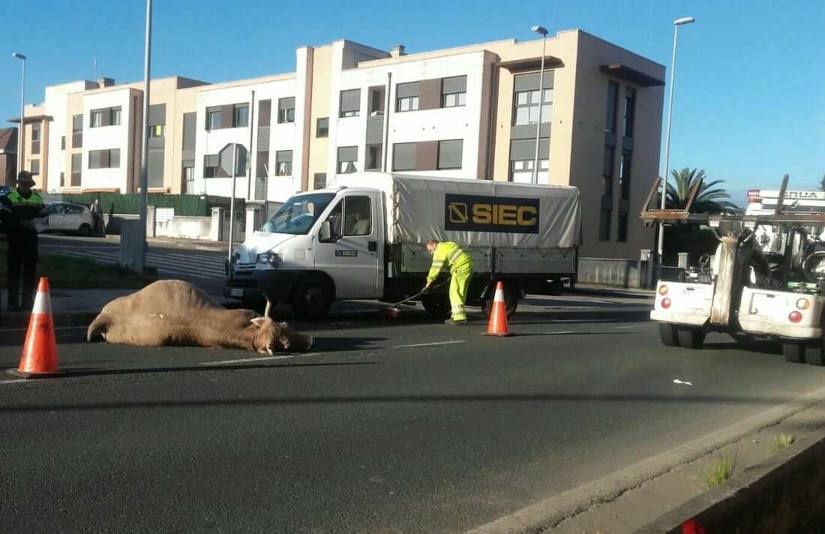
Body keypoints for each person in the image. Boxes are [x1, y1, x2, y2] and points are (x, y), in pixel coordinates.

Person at [0, 171, 49, 311]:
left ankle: (27, 302)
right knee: (14, 273)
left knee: (29, 272)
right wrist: (20, 223)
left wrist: (34, 223)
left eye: (28, 184)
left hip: (31, 241)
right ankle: (12, 303)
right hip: (15, 239)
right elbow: (4, 217)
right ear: (19, 184)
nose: (26, 187)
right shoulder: (9, 198)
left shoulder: (37, 198)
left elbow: (45, 217)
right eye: (23, 184)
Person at [423, 239, 474, 325]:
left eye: (430, 250)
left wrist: (427, 285)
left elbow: (435, 269)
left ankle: (459, 318)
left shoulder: (439, 251)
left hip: (460, 267)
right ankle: (456, 315)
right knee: (460, 292)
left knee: (454, 292)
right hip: (467, 266)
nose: (431, 253)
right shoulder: (447, 244)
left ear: (434, 245)